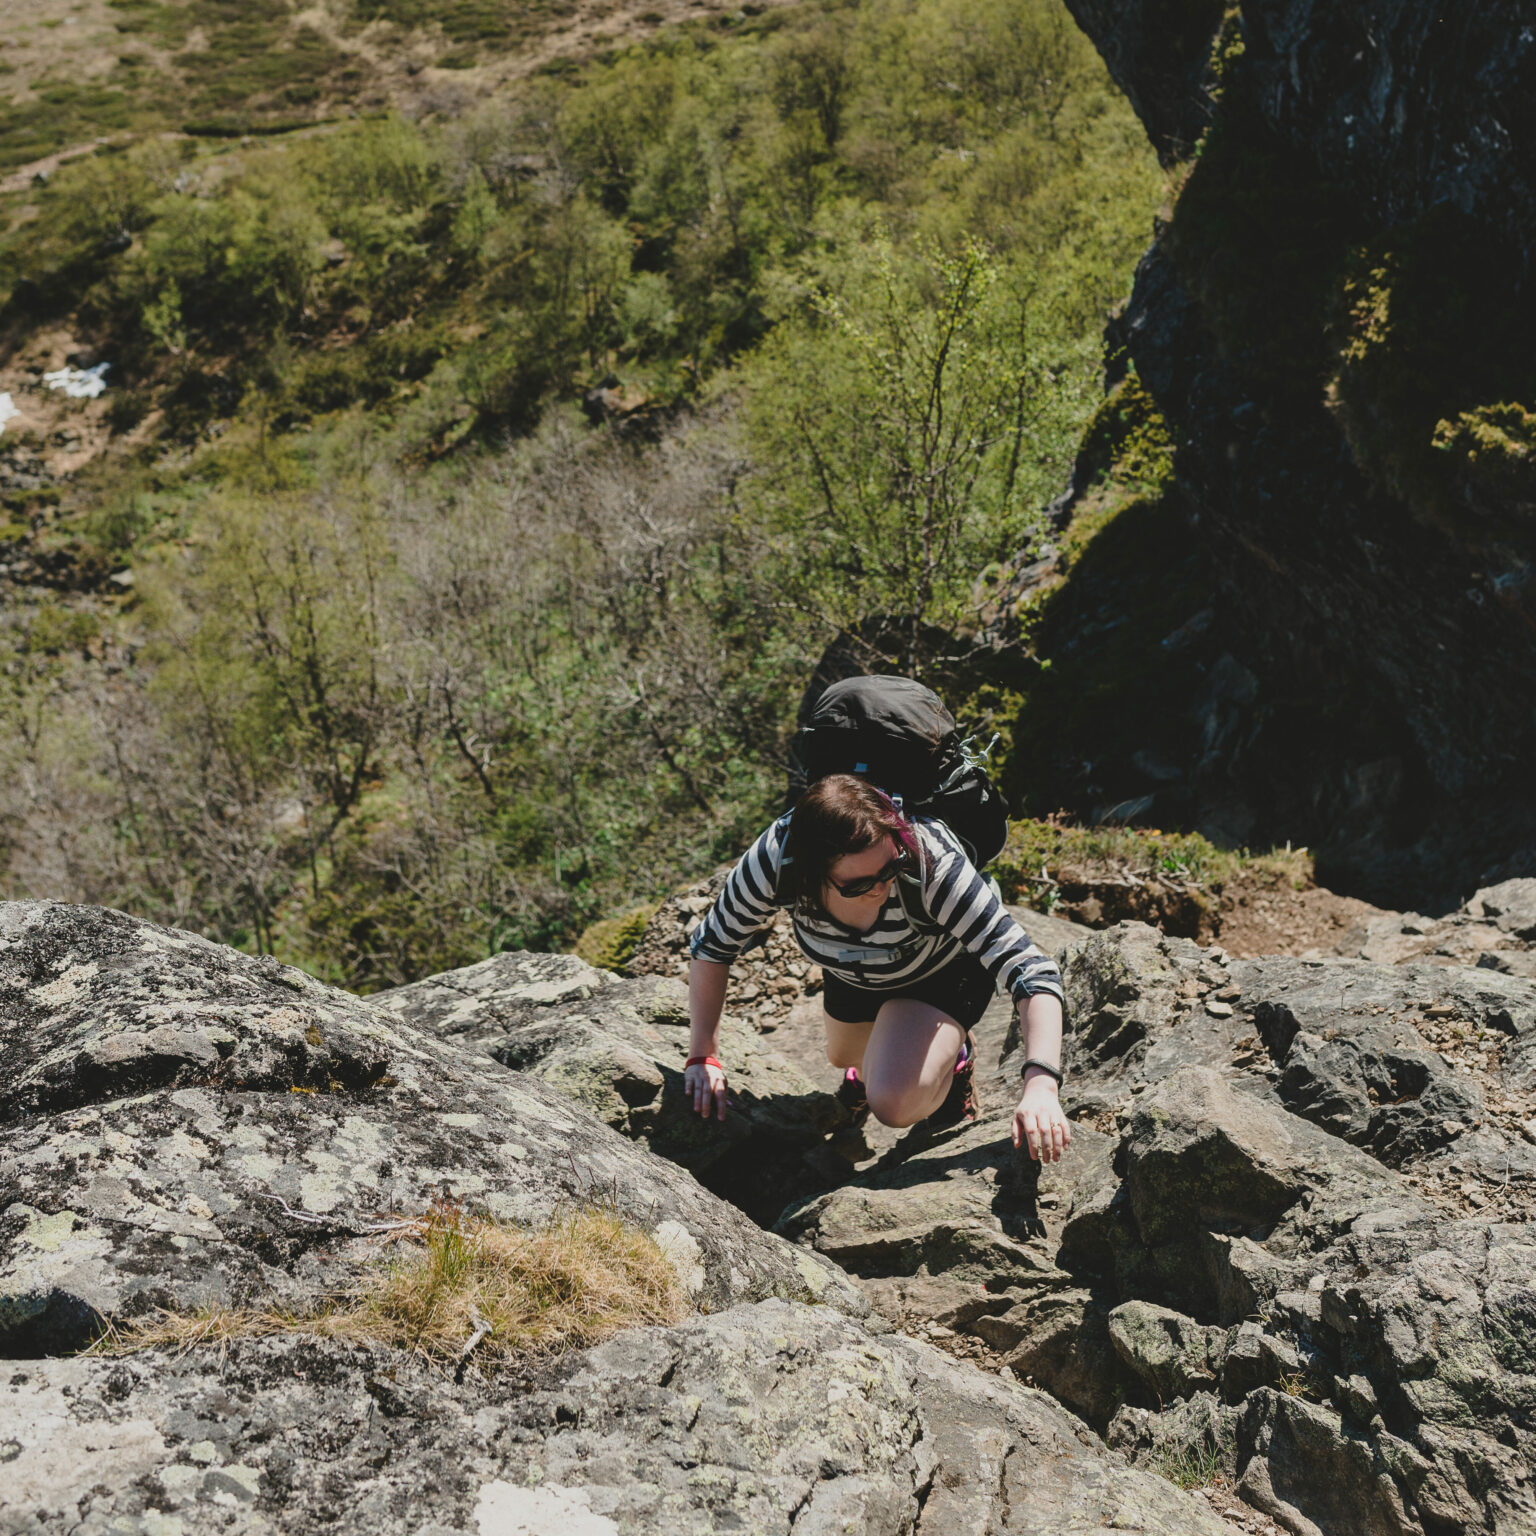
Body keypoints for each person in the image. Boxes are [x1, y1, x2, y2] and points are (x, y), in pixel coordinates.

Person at [682, 773, 1071, 1162]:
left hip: (943, 970)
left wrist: (1041, 1087)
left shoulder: (928, 861)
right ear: (812, 874)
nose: (881, 889)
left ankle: (955, 1061)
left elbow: (1033, 972)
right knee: (843, 1056)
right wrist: (703, 1056)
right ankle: (873, 1071)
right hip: (852, 972)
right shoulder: (776, 861)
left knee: (892, 1101)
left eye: (890, 869)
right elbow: (711, 946)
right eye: (858, 885)